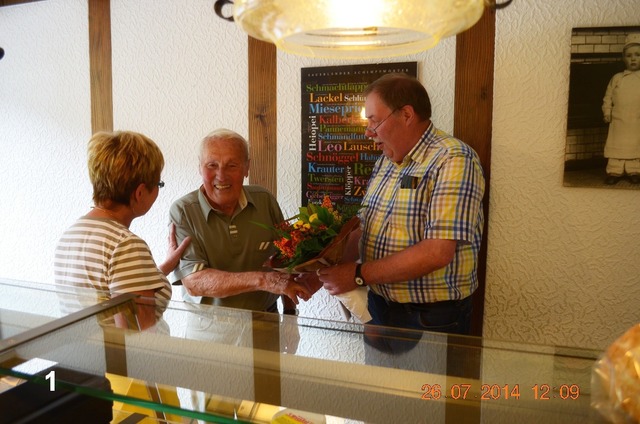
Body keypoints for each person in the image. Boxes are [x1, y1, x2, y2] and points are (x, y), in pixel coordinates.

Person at [317, 73, 485, 339]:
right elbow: (364, 229)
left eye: (374, 121)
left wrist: (358, 275)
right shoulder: (386, 161)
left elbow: (437, 252)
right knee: (379, 383)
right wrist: (318, 269)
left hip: (431, 318)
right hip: (380, 308)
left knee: (427, 384)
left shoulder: (454, 158)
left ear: (407, 115)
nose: (368, 132)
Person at [54, 130, 191, 330]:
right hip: (115, 360)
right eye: (158, 184)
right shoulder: (125, 244)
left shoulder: (72, 233)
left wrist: (162, 268)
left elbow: (109, 289)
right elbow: (136, 338)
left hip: (85, 358)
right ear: (140, 192)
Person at [169, 128, 310, 314]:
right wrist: (263, 280)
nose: (221, 175)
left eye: (232, 165)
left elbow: (286, 259)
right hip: (210, 328)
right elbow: (195, 282)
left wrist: (291, 314)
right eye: (212, 165)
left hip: (266, 318)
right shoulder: (183, 211)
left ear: (246, 168)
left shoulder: (265, 200)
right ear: (199, 167)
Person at [602, 33, 640, 185]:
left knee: (634, 144)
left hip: (636, 119)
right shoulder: (617, 78)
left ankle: (634, 170)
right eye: (629, 55)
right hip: (618, 119)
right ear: (623, 58)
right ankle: (614, 170)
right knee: (617, 144)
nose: (633, 59)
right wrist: (607, 112)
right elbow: (608, 97)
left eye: (638, 55)